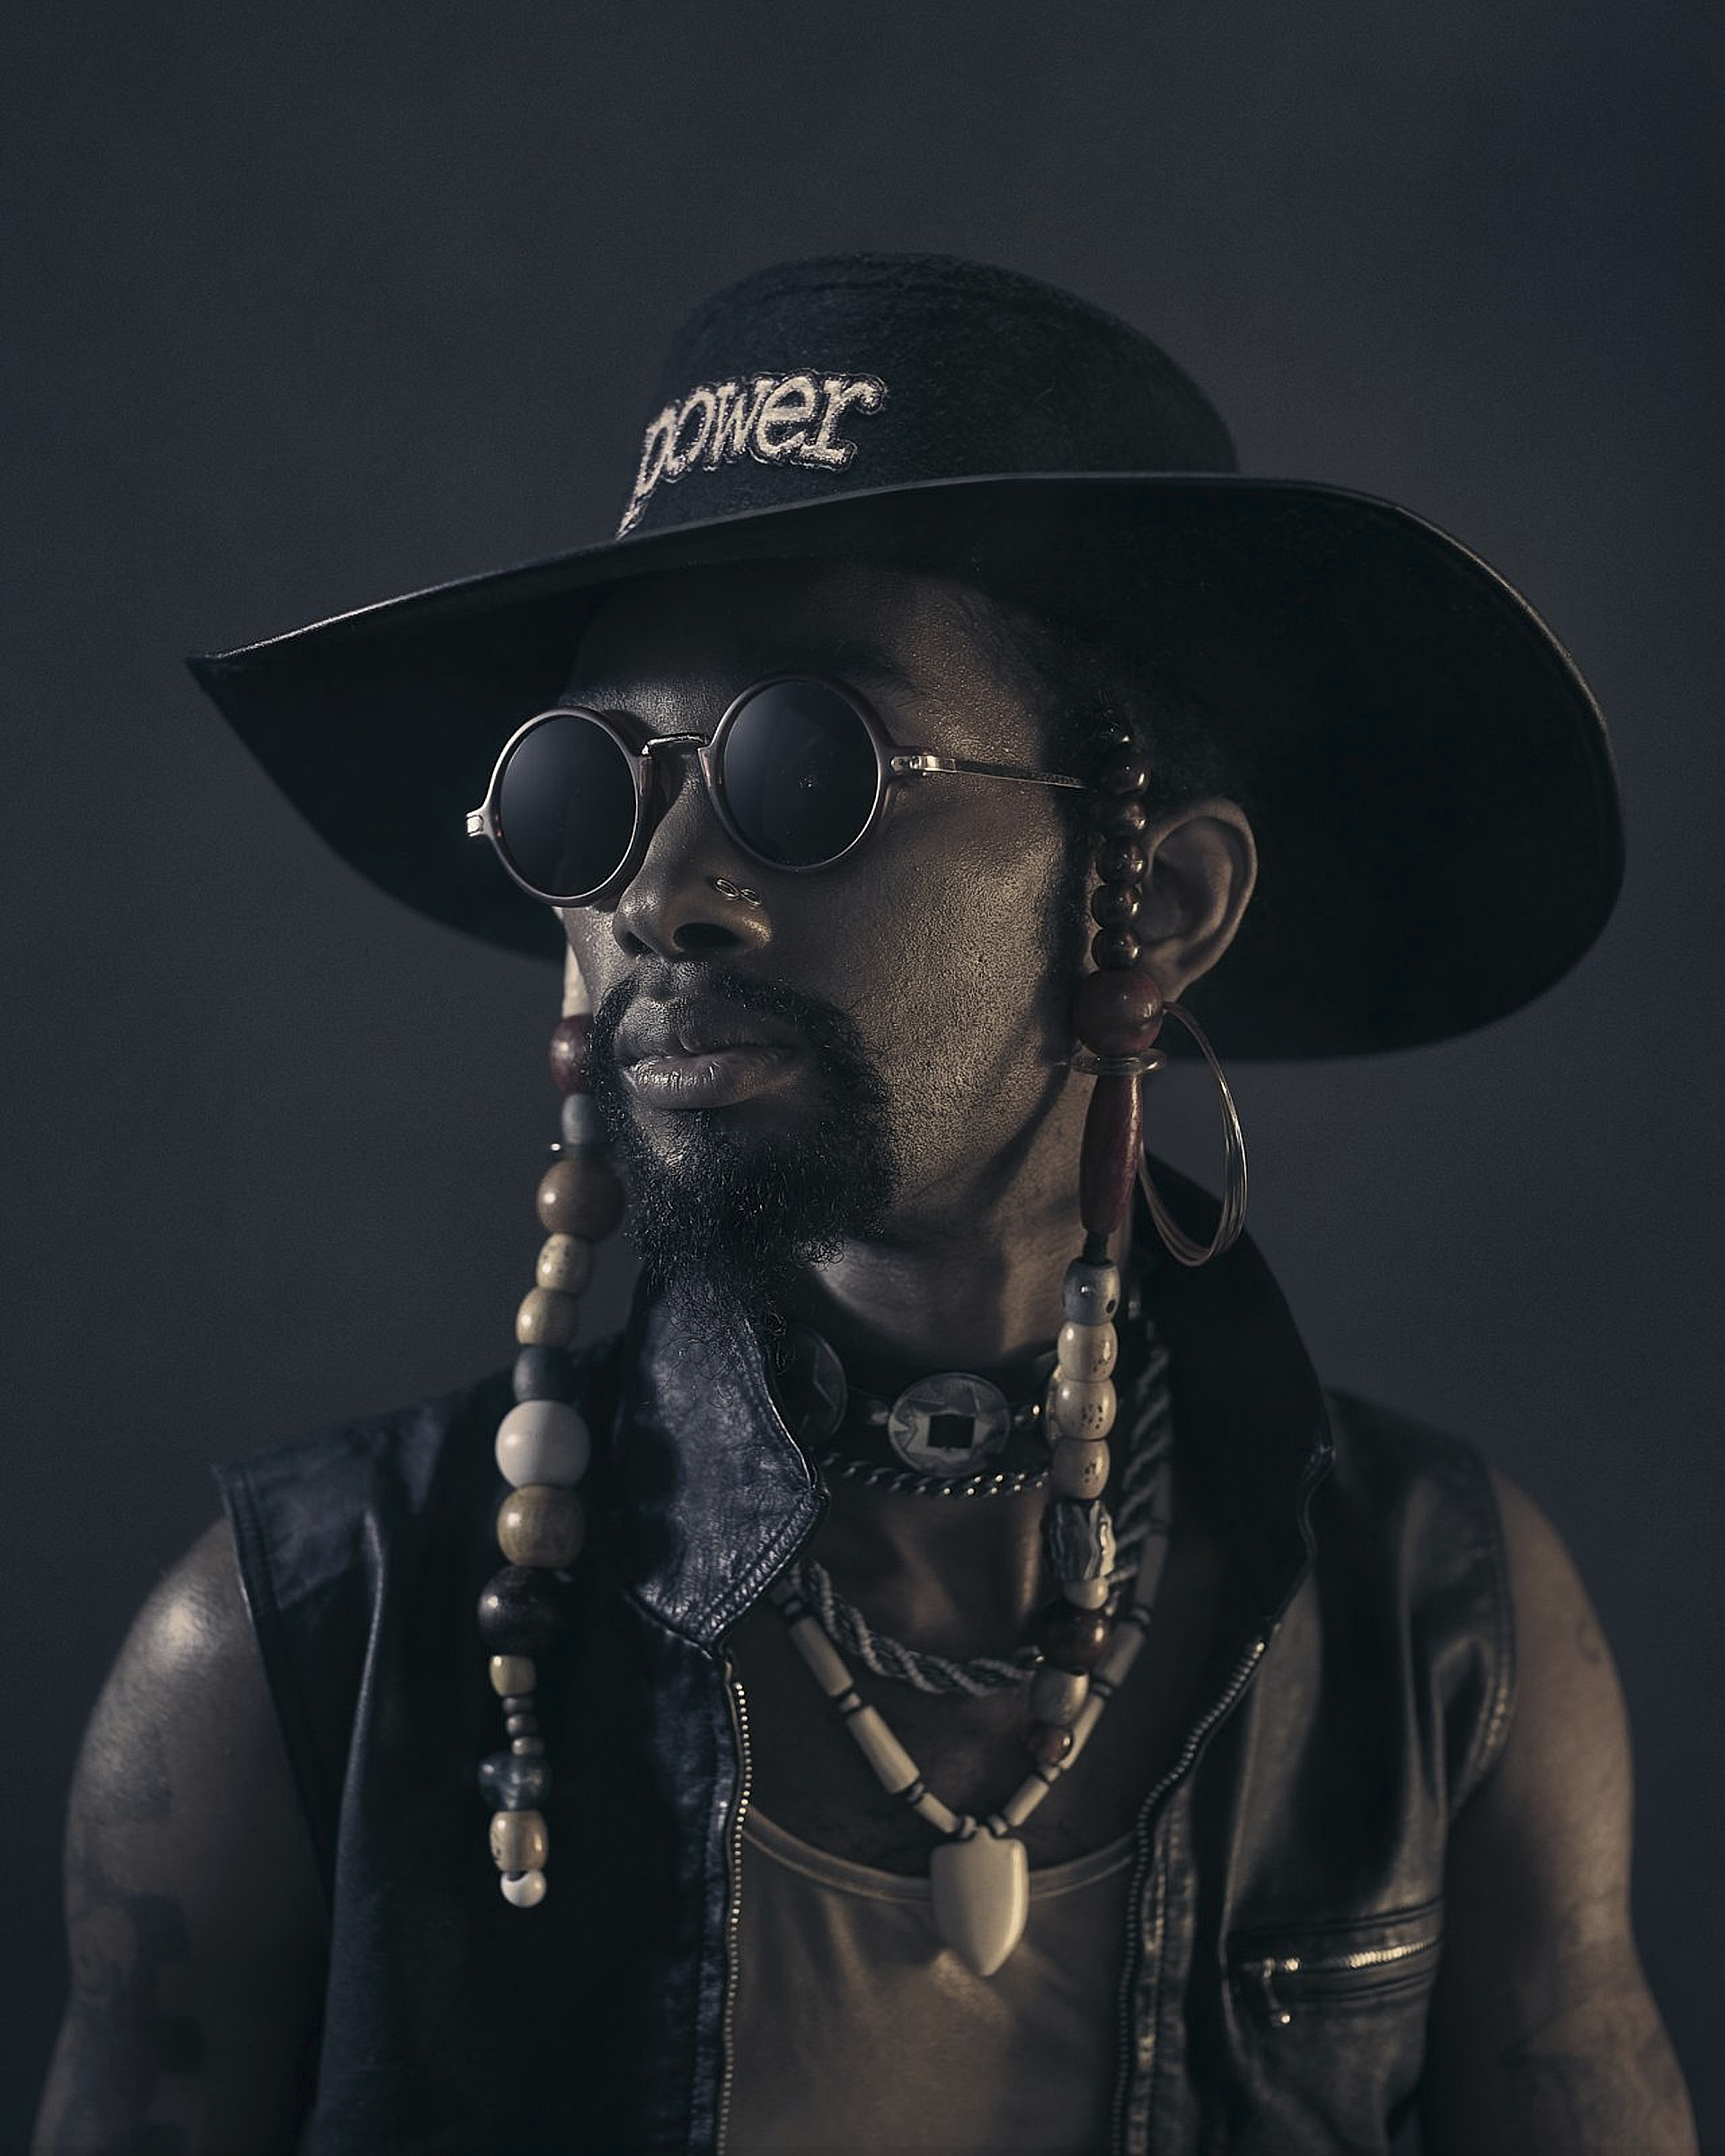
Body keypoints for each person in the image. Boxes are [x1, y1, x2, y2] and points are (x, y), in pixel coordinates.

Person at [35, 254, 1695, 2155]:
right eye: (587, 792)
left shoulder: (1446, 1632)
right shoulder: (301, 1647)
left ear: (1156, 905)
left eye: (807, 763)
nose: (664, 894)